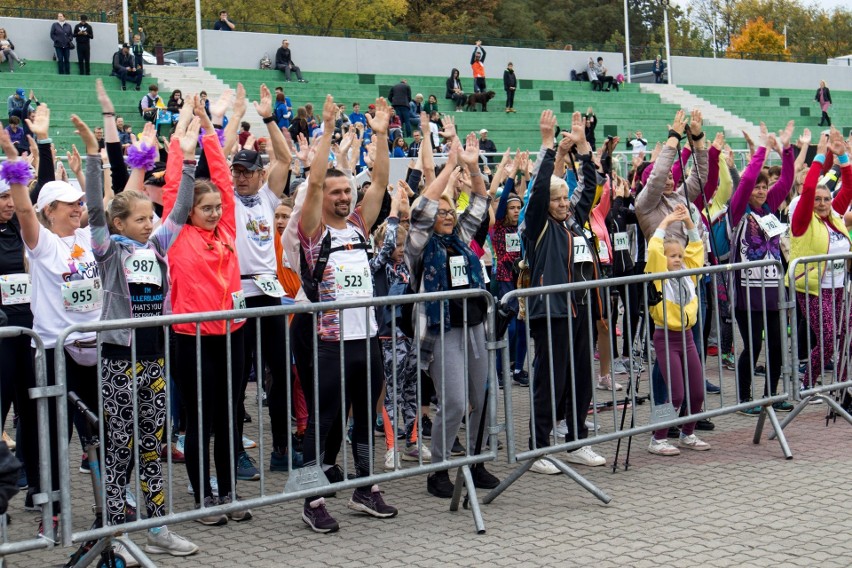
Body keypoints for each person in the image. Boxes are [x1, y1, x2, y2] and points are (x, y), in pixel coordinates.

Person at [82, 81, 200, 556]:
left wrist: (187, 161)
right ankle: (115, 533)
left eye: (151, 217)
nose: (150, 223)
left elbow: (184, 209)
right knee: (119, 447)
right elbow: (93, 210)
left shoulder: (158, 246)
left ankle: (157, 527)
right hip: (116, 360)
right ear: (119, 225)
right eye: (141, 219)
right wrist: (94, 159)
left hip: (153, 359)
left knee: (153, 444)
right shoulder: (109, 251)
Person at [297, 95, 397, 532]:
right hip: (328, 344)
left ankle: (365, 487)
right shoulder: (313, 231)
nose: (341, 197)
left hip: (366, 340)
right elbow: (315, 181)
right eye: (334, 192)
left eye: (346, 192)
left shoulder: (359, 225)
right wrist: (325, 127)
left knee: (364, 417)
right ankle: (310, 497)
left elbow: (379, 185)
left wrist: (380, 134)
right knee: (322, 423)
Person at [6, 102, 101, 537]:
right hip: (53, 351)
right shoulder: (43, 245)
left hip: (93, 349)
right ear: (50, 212)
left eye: (77, 203)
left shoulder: (86, 235)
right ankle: (54, 511)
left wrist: (94, 152)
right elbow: (24, 212)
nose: (76, 209)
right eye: (67, 205)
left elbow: (103, 199)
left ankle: (111, 503)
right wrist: (14, 165)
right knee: (53, 435)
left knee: (100, 430)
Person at [164, 86, 252, 526]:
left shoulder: (228, 226)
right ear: (189, 211)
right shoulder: (177, 232)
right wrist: (185, 141)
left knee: (229, 418)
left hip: (231, 336)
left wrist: (210, 130)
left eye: (218, 206)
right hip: (192, 340)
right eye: (206, 208)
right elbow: (176, 189)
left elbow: (221, 176)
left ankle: (230, 494)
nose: (216, 212)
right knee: (200, 421)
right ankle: (203, 498)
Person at [406, 132, 501, 496]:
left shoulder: (460, 237)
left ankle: (475, 462)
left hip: (474, 326)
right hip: (442, 331)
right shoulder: (419, 245)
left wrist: (474, 168)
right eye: (441, 212)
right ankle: (440, 469)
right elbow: (421, 211)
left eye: (449, 211)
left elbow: (479, 202)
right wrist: (448, 167)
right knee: (456, 402)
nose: (445, 216)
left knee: (483, 396)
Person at [521, 110, 607, 472]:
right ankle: (538, 447)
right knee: (549, 380)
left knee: (580, 378)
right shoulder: (538, 225)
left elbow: (590, 187)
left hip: (579, 308)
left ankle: (576, 440)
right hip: (551, 310)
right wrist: (547, 145)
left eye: (564, 199)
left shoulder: (573, 222)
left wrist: (584, 147)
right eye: (556, 199)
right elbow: (540, 190)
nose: (561, 203)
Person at [227, 85, 298, 480]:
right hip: (239, 292)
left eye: (245, 171)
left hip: (270, 291)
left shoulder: (268, 198)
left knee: (279, 373)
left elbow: (286, 157)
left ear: (259, 174)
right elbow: (215, 159)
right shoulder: (228, 199)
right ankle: (237, 451)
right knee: (237, 377)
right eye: (235, 171)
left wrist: (269, 118)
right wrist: (235, 115)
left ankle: (283, 449)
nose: (239, 177)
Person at [728, 121, 795, 415]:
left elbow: (788, 178)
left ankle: (770, 395)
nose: (761, 190)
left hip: (772, 292)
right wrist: (763, 150)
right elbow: (745, 181)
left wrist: (788, 150)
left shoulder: (770, 208)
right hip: (747, 294)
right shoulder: (739, 209)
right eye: (757, 186)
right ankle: (745, 400)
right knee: (753, 346)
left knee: (778, 347)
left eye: (765, 187)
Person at [790, 128, 852, 391]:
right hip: (815, 290)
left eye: (827, 198)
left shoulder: (835, 216)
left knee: (847, 337)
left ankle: (842, 387)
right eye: (818, 199)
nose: (824, 202)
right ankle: (807, 385)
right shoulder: (804, 219)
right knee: (827, 339)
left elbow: (849, 186)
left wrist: (845, 157)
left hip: (840, 288)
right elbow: (807, 190)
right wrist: (820, 156)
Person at [646, 205, 710, 455]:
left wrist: (689, 223)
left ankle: (688, 433)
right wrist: (667, 221)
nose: (677, 260)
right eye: (671, 256)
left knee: (696, 392)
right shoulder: (657, 273)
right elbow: (653, 249)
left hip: (688, 337)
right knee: (676, 393)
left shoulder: (688, 273)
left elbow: (696, 248)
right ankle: (657, 437)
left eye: (679, 256)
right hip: (666, 338)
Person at [489, 151, 528, 387]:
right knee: (509, 328)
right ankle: (499, 370)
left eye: (517, 208)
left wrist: (524, 173)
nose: (515, 211)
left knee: (523, 329)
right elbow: (503, 202)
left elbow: (525, 198)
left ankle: (517, 369)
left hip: (520, 280)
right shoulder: (500, 227)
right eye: (512, 208)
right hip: (503, 280)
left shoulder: (519, 229)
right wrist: (511, 173)